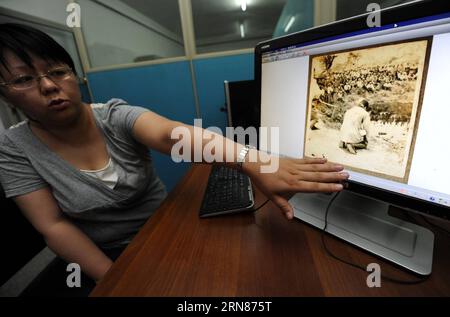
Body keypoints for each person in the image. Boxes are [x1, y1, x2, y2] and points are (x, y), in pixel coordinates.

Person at [0, 23, 349, 295]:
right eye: (24, 79)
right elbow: (52, 226)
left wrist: (256, 162)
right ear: (6, 96)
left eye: (58, 71)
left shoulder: (114, 115)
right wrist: (116, 279)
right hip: (103, 253)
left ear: (74, 76)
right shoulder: (13, 147)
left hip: (162, 230)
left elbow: (173, 136)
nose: (48, 86)